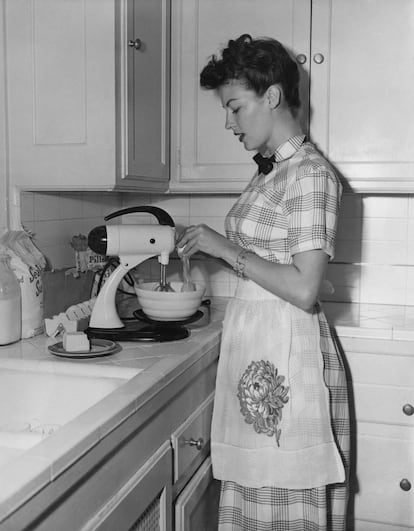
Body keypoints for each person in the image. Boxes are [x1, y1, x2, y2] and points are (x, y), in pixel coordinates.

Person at [176, 34, 350, 531]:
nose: (228, 122)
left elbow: (303, 289)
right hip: (261, 351)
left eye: (235, 107)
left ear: (271, 96)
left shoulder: (311, 174)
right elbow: (271, 267)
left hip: (290, 362)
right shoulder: (272, 173)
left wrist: (221, 247)